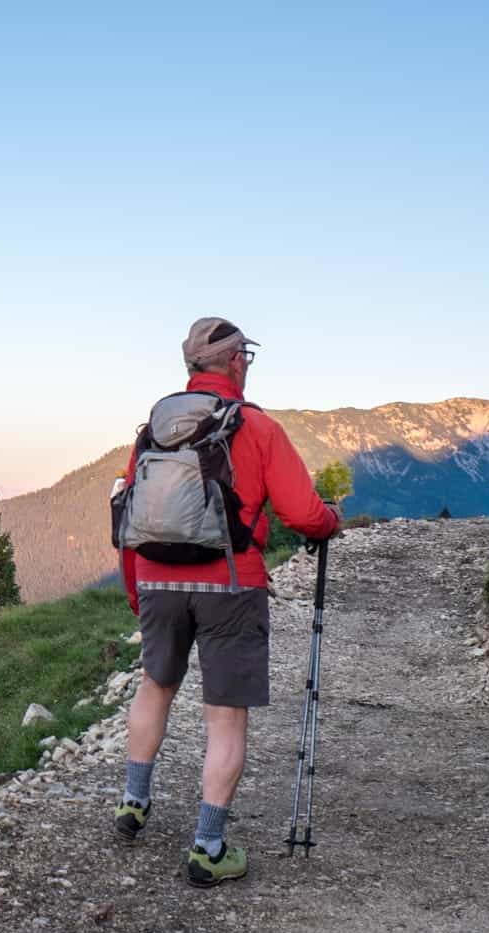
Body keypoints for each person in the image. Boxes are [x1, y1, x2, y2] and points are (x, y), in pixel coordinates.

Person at [113, 317, 340, 888]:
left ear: (191, 367)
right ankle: (208, 847)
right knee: (224, 715)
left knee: (155, 685)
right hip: (230, 584)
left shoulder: (156, 428)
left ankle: (133, 802)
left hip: (157, 578)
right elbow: (301, 512)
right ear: (236, 361)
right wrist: (330, 520)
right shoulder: (257, 428)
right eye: (248, 357)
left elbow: (131, 515)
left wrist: (137, 586)